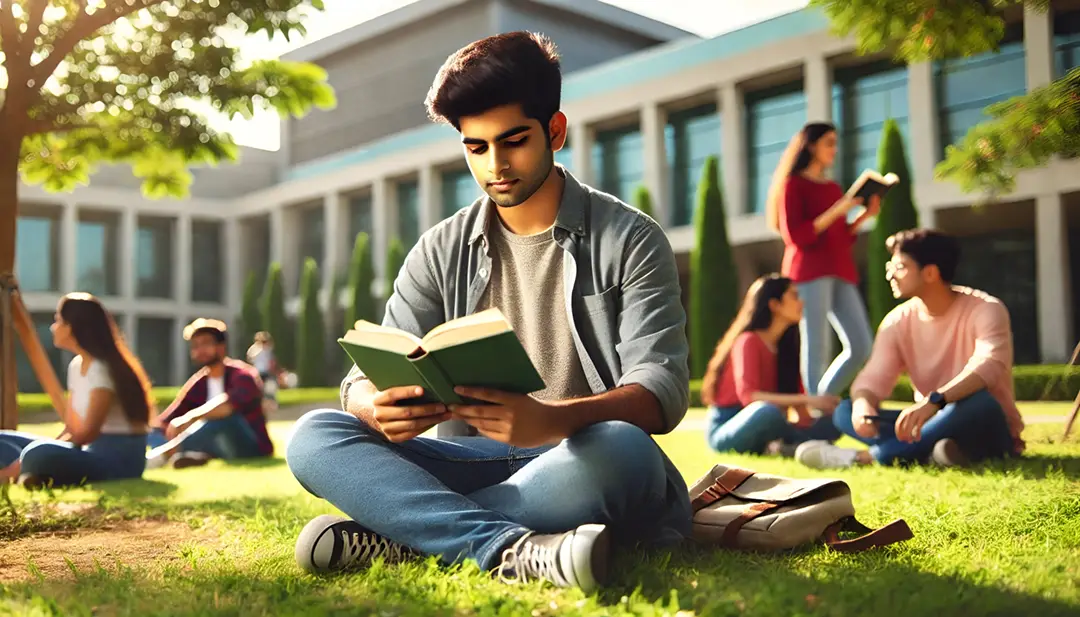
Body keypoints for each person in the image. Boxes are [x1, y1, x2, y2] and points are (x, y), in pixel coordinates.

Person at [285, 32, 692, 593]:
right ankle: (504, 547)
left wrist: (549, 419)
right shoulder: (439, 248)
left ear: (555, 130)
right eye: (476, 148)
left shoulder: (632, 239)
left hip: (579, 455)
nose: (496, 165)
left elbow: (660, 390)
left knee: (624, 449)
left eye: (514, 141)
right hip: (467, 457)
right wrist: (375, 407)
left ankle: (402, 537)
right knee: (316, 434)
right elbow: (362, 377)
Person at [795, 229, 1024, 469]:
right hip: (929, 421)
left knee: (980, 402)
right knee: (845, 410)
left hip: (983, 425)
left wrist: (936, 401)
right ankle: (936, 452)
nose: (891, 276)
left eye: (901, 267)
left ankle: (867, 457)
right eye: (890, 267)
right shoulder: (897, 320)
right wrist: (863, 406)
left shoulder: (986, 309)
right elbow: (872, 379)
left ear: (930, 273)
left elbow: (989, 365)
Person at [764, 121, 879, 404]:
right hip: (809, 272)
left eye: (835, 143)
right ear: (811, 145)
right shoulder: (793, 185)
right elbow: (797, 236)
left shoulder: (832, 187)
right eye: (828, 142)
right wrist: (841, 207)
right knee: (818, 345)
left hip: (841, 270)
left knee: (862, 345)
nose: (834, 149)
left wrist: (864, 215)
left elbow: (840, 236)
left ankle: (822, 402)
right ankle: (818, 411)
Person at [0, 293, 154, 488]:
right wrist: (45, 451)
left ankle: (31, 473)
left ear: (72, 327)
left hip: (116, 460)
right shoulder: (76, 366)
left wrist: (23, 462)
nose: (53, 327)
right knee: (4, 440)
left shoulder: (102, 369)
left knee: (36, 454)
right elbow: (72, 428)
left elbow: (87, 434)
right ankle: (38, 474)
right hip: (87, 452)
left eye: (58, 321)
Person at [700, 274, 842, 456]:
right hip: (730, 428)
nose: (802, 302)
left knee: (834, 421)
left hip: (773, 424)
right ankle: (791, 446)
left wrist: (824, 413)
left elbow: (800, 410)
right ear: (774, 305)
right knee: (767, 412)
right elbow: (749, 397)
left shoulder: (787, 347)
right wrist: (808, 400)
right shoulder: (748, 341)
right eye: (794, 296)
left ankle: (788, 446)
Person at [146, 318, 272, 469]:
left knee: (221, 418)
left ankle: (159, 457)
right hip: (216, 446)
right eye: (195, 346)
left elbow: (227, 406)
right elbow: (168, 418)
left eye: (205, 343)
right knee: (154, 431)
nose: (200, 350)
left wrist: (191, 417)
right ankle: (196, 455)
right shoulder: (199, 383)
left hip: (250, 447)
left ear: (221, 346)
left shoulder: (243, 375)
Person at [247, 332, 279, 413]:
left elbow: (250, 360)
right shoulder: (267, 349)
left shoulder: (253, 349)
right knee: (269, 390)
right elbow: (271, 362)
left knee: (260, 390)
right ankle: (270, 406)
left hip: (257, 372)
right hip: (265, 372)